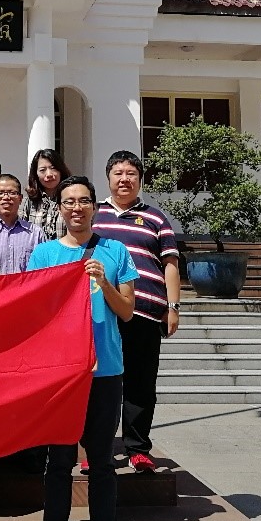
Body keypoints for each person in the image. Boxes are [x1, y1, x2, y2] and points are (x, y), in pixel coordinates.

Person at [27, 175, 138, 521]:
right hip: (62, 374)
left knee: (102, 461)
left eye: (84, 201)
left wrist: (104, 282)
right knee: (59, 462)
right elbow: (35, 313)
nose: (77, 208)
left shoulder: (115, 250)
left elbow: (127, 311)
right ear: (60, 209)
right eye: (69, 202)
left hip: (105, 369)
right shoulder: (44, 255)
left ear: (94, 207)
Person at [92, 150, 181, 474]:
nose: (124, 179)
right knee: (99, 384)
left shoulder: (156, 218)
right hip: (101, 315)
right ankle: (96, 448)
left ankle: (138, 449)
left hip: (144, 313)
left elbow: (170, 264)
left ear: (140, 180)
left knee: (140, 384)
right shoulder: (94, 214)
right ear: (108, 178)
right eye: (118, 173)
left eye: (131, 173)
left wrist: (173, 307)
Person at [0, 173, 42, 274]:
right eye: (0, 193)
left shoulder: (35, 234)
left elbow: (44, 271)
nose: (6, 197)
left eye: (12, 193)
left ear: (20, 199)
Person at [20, 148, 73, 241]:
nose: (49, 174)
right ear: (35, 174)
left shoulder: (71, 200)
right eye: (42, 170)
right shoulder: (27, 202)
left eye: (53, 168)